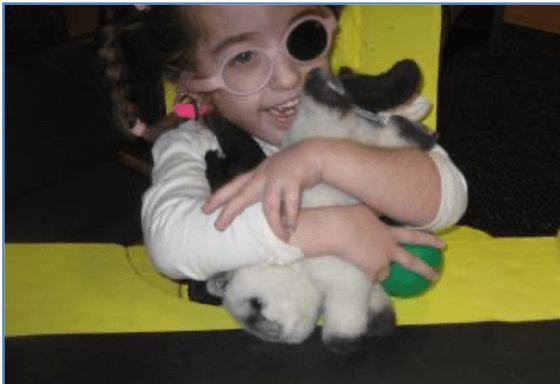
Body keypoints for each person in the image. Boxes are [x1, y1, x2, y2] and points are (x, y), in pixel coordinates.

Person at [101, 5, 467, 286]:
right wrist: (331, 230)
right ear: (192, 83)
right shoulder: (194, 144)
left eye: (302, 37)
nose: (289, 77)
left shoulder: (350, 112)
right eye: (243, 57)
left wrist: (322, 157)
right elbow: (171, 244)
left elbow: (448, 197)